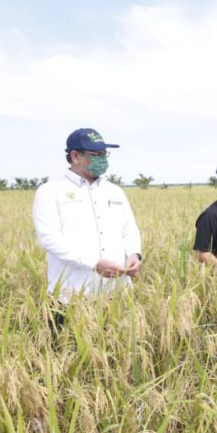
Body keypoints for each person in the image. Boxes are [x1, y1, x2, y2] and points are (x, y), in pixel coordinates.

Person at [32, 128, 142, 328]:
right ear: (75, 156)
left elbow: (129, 229)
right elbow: (49, 239)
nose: (103, 159)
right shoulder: (51, 192)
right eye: (96, 155)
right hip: (69, 296)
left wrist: (134, 254)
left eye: (104, 154)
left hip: (115, 295)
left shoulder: (114, 191)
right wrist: (94, 264)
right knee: (64, 353)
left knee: (115, 353)